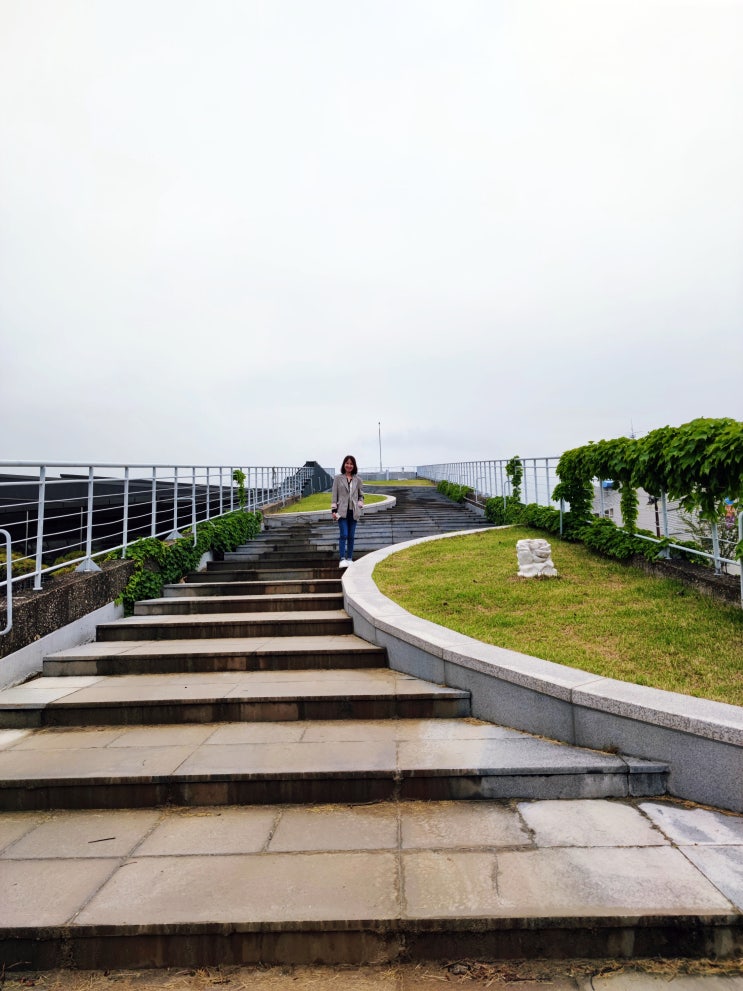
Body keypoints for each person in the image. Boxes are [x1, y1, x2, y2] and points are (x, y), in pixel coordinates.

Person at [331, 455, 364, 568]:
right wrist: (333, 510)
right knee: (343, 534)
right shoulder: (337, 478)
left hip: (353, 512)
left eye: (351, 463)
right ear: (344, 464)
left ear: (354, 466)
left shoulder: (358, 480)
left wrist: (360, 502)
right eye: (347, 463)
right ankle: (342, 559)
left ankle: (350, 558)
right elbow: (334, 496)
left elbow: (361, 495)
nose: (349, 465)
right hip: (341, 511)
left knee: (351, 536)